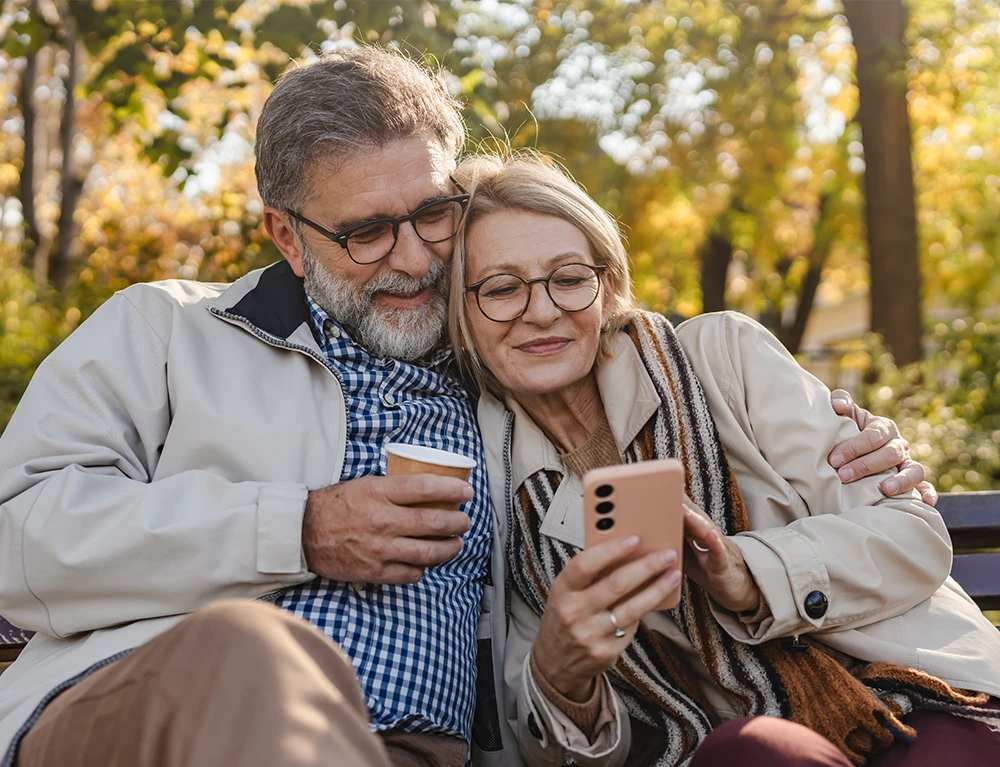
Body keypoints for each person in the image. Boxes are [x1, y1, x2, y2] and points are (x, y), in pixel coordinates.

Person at [0, 48, 936, 767]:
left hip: (419, 750)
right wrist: (298, 527)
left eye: (433, 213)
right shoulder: (167, 331)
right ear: (286, 234)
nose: (413, 258)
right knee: (254, 651)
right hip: (163, 710)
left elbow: (610, 336)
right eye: (368, 232)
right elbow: (14, 535)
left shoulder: (505, 380)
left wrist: (857, 447)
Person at [449, 152, 1000, 767]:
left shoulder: (723, 358)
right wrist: (560, 678)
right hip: (745, 754)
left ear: (609, 286)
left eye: (570, 278)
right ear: (460, 316)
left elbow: (913, 537)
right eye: (502, 289)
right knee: (748, 750)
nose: (544, 310)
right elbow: (555, 749)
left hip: (923, 699)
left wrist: (748, 575)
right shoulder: (494, 485)